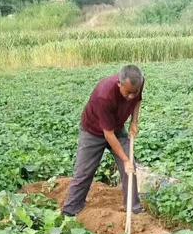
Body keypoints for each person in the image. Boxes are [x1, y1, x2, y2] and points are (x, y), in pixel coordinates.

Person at [62, 64, 144, 217]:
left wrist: (134, 121)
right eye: (128, 93)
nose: (131, 96)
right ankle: (70, 210)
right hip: (93, 131)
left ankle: (133, 207)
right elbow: (109, 135)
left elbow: (137, 100)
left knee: (130, 168)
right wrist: (124, 159)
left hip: (117, 126)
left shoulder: (137, 81)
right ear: (119, 83)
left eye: (135, 92)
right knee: (84, 172)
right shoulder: (103, 95)